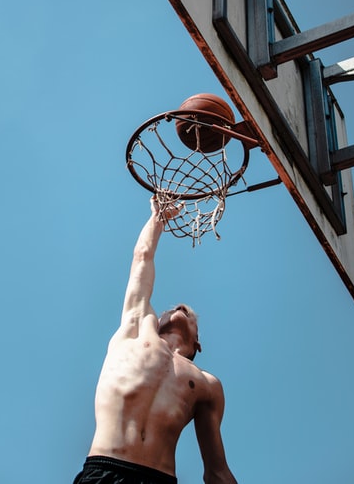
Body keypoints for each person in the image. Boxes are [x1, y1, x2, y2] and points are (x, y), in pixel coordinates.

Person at [73, 197, 237, 484]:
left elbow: (217, 471)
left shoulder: (207, 384)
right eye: (170, 308)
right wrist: (158, 218)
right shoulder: (137, 326)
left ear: (198, 342)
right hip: (103, 470)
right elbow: (142, 258)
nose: (178, 307)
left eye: (189, 312)